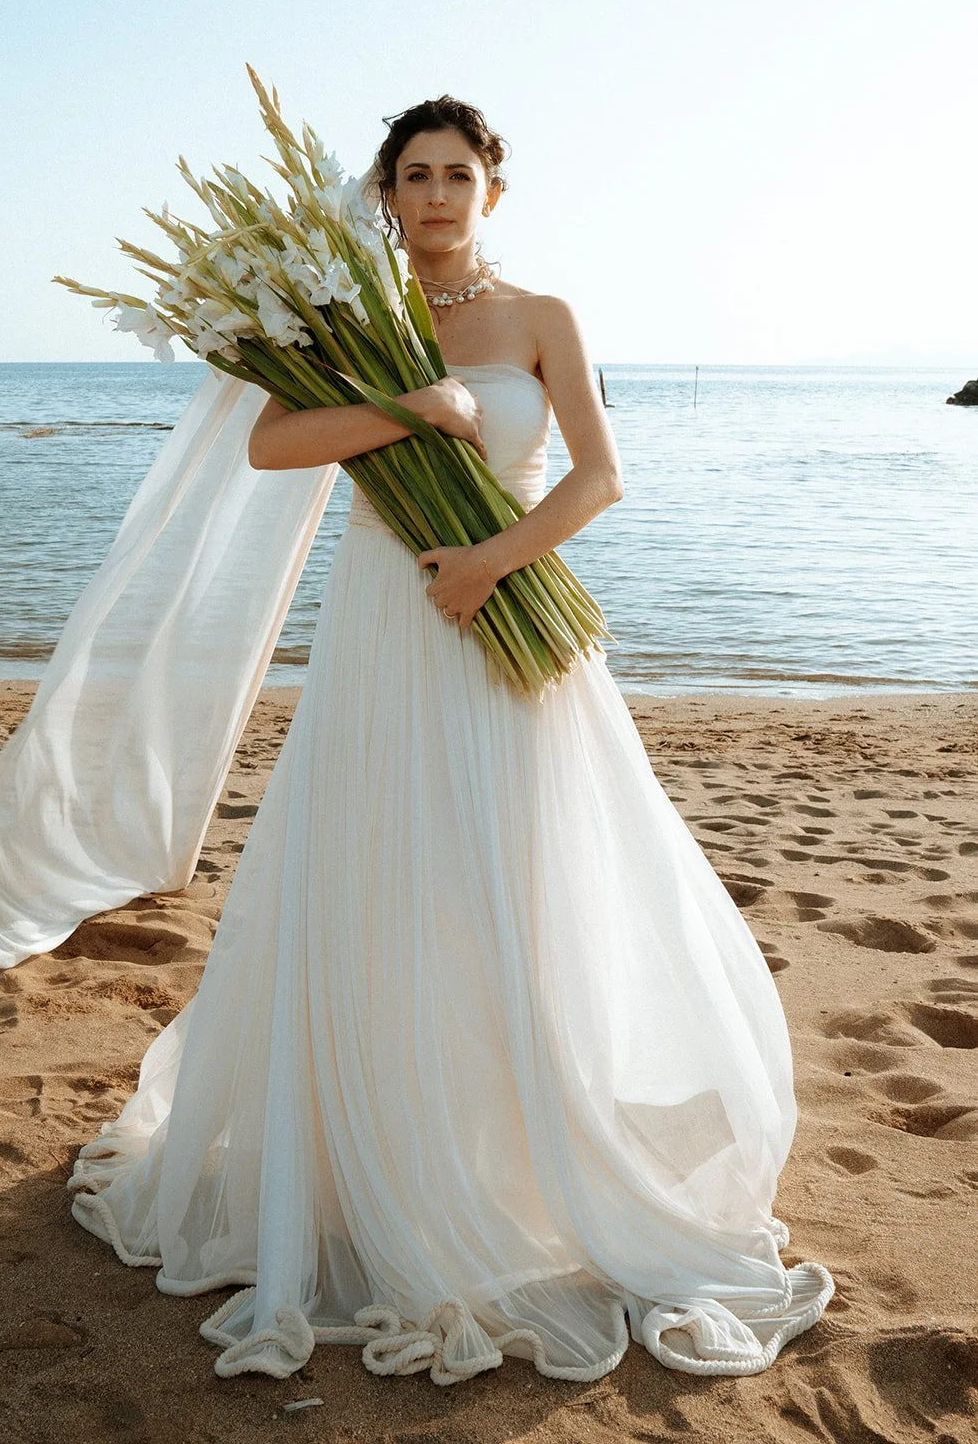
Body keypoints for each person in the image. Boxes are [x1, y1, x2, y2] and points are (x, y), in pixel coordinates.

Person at [61, 95, 835, 1386]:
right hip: (381, 618)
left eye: (457, 175)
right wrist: (409, 408)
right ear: (384, 192)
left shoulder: (543, 319)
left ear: (492, 190)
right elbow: (274, 445)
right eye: (413, 175)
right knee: (381, 880)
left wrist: (490, 561)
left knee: (519, 879)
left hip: (501, 612)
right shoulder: (347, 320)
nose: (433, 196)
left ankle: (517, 1144)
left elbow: (597, 476)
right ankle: (382, 1147)